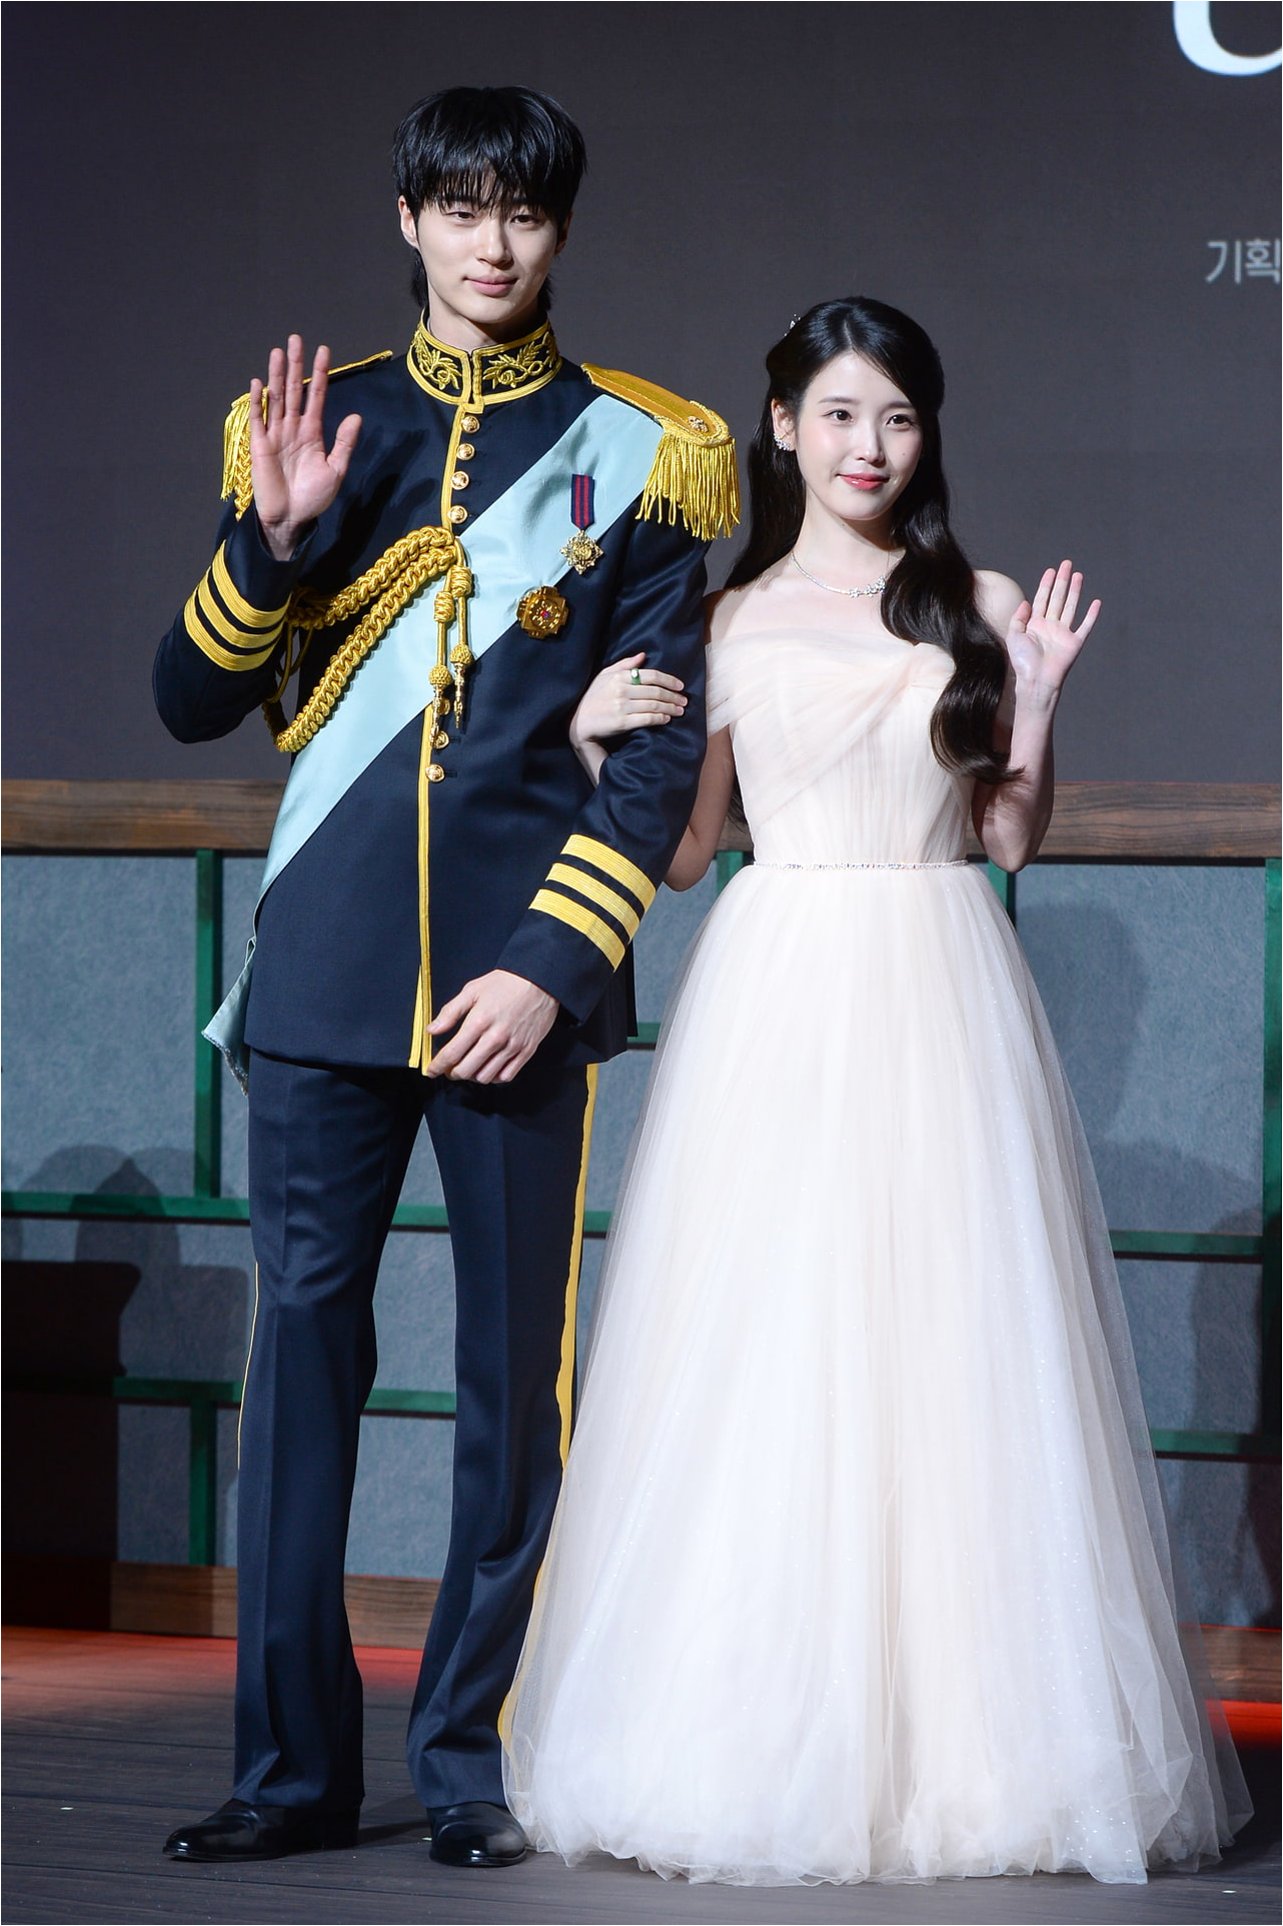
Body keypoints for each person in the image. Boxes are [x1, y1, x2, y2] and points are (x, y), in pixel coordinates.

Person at [500, 296, 1250, 1885]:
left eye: (898, 417)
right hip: (780, 986)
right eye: (840, 413)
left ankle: (972, 1753)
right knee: (779, 1345)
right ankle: (757, 1737)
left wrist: (1039, 699)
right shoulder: (725, 620)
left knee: (958, 1354)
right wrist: (585, 738)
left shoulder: (976, 601)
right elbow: (689, 855)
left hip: (940, 977)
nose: (870, 445)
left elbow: (1009, 836)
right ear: (781, 427)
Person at [152, 85, 737, 1869]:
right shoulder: (309, 426)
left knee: (512, 1391)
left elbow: (656, 759)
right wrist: (271, 542)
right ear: (407, 218)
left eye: (525, 212)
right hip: (329, 977)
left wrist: (552, 968)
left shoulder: (646, 453)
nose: (494, 243)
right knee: (302, 1367)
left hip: (518, 986)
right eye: (462, 208)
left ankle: (469, 1756)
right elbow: (190, 703)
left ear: (562, 230)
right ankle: (287, 1769)